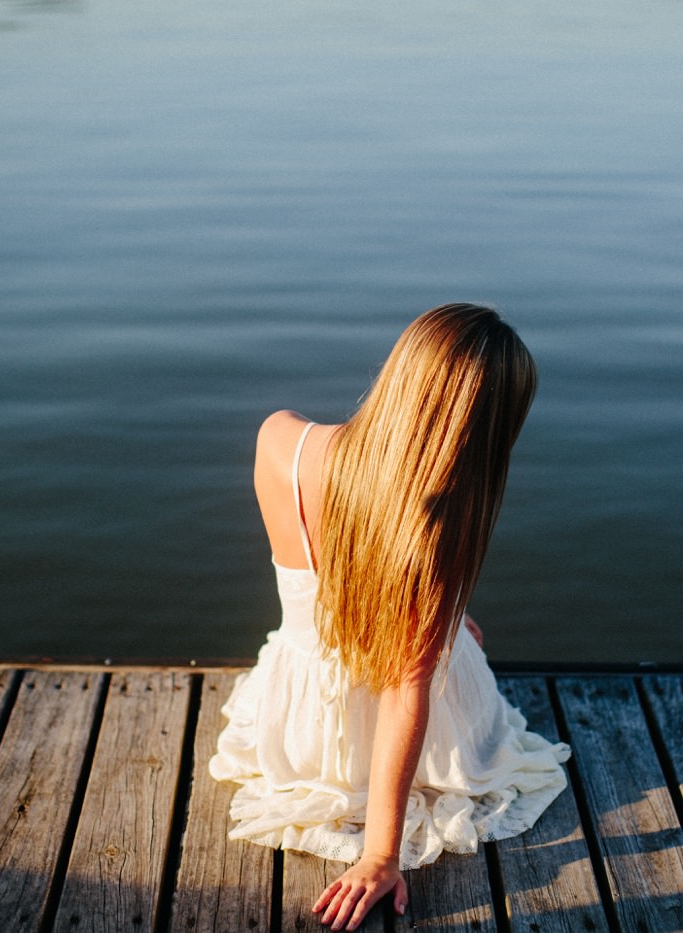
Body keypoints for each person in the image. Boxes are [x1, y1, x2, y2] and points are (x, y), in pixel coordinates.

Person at [209, 303, 570, 932]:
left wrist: (444, 615)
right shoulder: (434, 532)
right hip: (410, 741)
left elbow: (347, 575)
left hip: (306, 725)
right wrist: (382, 854)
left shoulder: (281, 441)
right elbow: (408, 693)